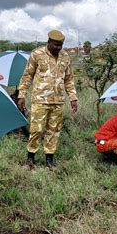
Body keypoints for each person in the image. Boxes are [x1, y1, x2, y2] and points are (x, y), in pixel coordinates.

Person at [17, 29, 78, 169]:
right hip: (40, 99)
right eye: (55, 44)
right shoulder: (37, 54)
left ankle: (49, 159)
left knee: (54, 130)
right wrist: (21, 94)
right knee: (36, 130)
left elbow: (69, 79)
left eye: (60, 45)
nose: (58, 48)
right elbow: (27, 76)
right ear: (48, 42)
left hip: (58, 101)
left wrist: (73, 98)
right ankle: (30, 158)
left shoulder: (65, 57)